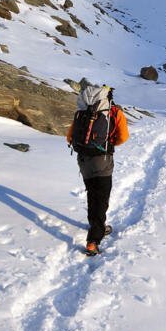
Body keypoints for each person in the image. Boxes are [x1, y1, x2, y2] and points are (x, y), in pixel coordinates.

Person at [67, 85, 129, 256]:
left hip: (83, 160)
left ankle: (97, 226)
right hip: (102, 160)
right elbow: (123, 137)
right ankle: (93, 240)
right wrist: (107, 145)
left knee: (92, 193)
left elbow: (69, 136)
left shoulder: (82, 110)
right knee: (101, 198)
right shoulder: (114, 111)